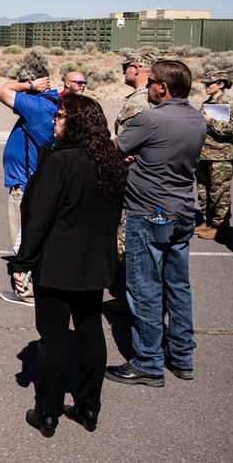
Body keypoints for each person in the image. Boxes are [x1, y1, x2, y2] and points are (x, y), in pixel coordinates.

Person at [13, 94, 126, 437]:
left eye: (60, 116)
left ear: (76, 121)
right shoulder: (110, 160)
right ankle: (89, 407)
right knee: (90, 332)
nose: (54, 121)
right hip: (94, 263)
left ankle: (47, 411)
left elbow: (39, 219)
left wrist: (23, 263)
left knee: (53, 339)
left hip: (58, 264)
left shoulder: (61, 162)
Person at [106, 59, 206, 387]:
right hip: (182, 211)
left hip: (149, 212)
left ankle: (148, 361)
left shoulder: (150, 119)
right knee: (178, 286)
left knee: (145, 287)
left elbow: (115, 149)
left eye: (151, 83)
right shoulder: (196, 118)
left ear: (163, 87)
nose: (148, 88)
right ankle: (181, 356)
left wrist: (129, 156)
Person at [0, 61, 58, 306]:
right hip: (35, 182)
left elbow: (0, 90)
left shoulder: (36, 106)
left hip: (25, 186)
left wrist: (29, 85)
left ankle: (27, 292)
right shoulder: (52, 103)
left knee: (23, 241)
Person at [105, 51, 158, 316]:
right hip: (150, 180)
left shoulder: (137, 102)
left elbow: (126, 146)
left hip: (133, 179)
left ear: (137, 68)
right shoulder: (154, 98)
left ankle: (134, 300)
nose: (123, 71)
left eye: (126, 67)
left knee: (127, 243)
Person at [194, 70, 233, 241]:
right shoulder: (207, 103)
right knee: (203, 190)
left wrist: (211, 122)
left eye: (209, 83)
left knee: (219, 192)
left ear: (221, 84)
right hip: (203, 154)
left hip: (221, 156)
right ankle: (207, 222)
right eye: (205, 84)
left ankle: (219, 227)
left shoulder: (232, 104)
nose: (206, 86)